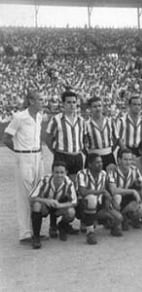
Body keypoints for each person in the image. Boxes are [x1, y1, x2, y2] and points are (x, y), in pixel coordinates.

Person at [3, 90, 44, 243]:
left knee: (37, 193)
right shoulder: (19, 117)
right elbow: (6, 138)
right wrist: (19, 151)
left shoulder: (39, 117)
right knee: (24, 196)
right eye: (40, 99)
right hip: (24, 157)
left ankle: (36, 231)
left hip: (37, 156)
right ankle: (25, 233)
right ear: (31, 101)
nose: (43, 102)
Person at [46, 90, 83, 236]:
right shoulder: (56, 119)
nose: (72, 105)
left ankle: (66, 223)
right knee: (57, 189)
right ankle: (53, 225)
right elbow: (48, 138)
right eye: (68, 102)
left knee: (73, 189)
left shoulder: (81, 120)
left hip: (76, 157)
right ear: (63, 104)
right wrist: (56, 152)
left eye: (74, 102)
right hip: (62, 156)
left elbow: (83, 139)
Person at [77, 153, 123, 245]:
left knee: (118, 203)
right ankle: (90, 232)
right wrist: (101, 192)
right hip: (83, 206)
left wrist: (110, 200)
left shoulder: (104, 174)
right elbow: (82, 192)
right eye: (97, 162)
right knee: (91, 199)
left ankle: (111, 224)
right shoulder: (81, 173)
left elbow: (112, 188)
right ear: (90, 164)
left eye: (101, 162)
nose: (101, 164)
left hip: (100, 205)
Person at [29, 161, 77, 249]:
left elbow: (74, 202)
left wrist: (60, 205)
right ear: (52, 172)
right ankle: (36, 237)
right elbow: (31, 197)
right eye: (57, 172)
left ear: (66, 172)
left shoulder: (69, 183)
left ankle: (61, 226)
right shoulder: (44, 180)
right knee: (36, 205)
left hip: (58, 206)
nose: (59, 175)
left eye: (62, 172)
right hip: (46, 206)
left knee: (71, 212)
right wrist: (47, 201)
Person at [108, 149, 142, 230]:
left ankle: (127, 218)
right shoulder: (112, 171)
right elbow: (113, 190)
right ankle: (116, 221)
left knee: (140, 208)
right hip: (113, 200)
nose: (128, 162)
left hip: (126, 198)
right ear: (119, 160)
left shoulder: (134, 170)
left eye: (130, 159)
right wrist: (132, 191)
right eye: (125, 159)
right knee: (117, 196)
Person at [84, 96, 119, 170]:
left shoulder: (110, 121)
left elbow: (116, 138)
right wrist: (89, 153)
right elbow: (82, 142)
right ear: (90, 109)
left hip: (108, 155)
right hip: (93, 157)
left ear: (102, 107)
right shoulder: (86, 124)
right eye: (95, 106)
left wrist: (110, 149)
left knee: (110, 179)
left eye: (99, 106)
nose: (98, 108)